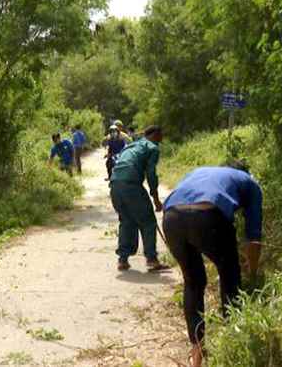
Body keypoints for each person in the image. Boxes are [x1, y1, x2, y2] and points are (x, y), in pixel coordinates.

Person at [162, 162, 263, 367]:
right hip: (208, 215)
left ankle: (197, 352)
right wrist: (253, 273)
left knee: (193, 282)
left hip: (172, 218)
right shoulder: (250, 183)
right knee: (230, 275)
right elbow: (253, 239)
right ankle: (233, 339)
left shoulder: (199, 171)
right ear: (246, 172)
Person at [109, 125, 170, 272]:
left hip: (115, 185)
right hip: (131, 186)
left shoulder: (131, 146)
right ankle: (152, 259)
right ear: (155, 134)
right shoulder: (152, 148)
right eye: (162, 134)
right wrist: (155, 198)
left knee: (126, 221)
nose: (162, 138)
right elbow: (151, 174)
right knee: (148, 221)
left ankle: (122, 260)